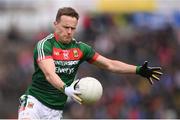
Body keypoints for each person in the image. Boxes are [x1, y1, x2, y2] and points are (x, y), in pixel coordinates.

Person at [18, 7, 163, 119]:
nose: (69, 32)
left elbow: (109, 64)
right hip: (34, 104)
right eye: (65, 27)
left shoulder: (81, 49)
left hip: (56, 111)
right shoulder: (45, 45)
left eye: (73, 28)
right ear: (56, 24)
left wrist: (138, 70)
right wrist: (66, 88)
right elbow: (50, 74)